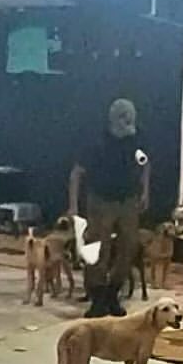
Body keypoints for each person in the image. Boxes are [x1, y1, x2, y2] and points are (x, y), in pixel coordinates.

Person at [68, 98, 150, 317]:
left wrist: (145, 191)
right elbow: (77, 173)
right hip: (101, 200)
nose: (130, 124)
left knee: (129, 246)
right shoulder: (96, 141)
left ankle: (113, 293)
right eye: (126, 120)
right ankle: (97, 297)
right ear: (115, 120)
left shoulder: (136, 138)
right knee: (97, 249)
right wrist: (73, 205)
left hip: (128, 200)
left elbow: (145, 164)